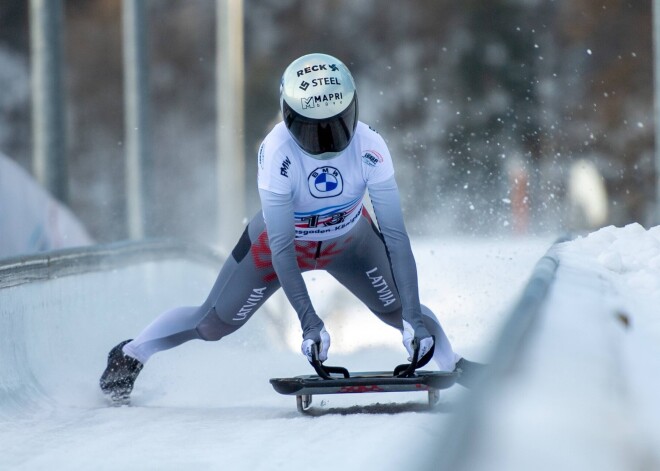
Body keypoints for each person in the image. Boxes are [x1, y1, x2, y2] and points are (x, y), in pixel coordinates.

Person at [100, 53, 480, 404]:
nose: (327, 142)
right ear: (287, 118)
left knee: (399, 310)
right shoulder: (277, 151)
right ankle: (132, 353)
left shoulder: (371, 145)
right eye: (313, 131)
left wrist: (413, 318)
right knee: (213, 324)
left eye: (338, 126)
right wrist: (310, 323)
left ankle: (451, 359)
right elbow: (282, 249)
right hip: (280, 247)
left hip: (350, 242)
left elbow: (396, 236)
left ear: (354, 110)